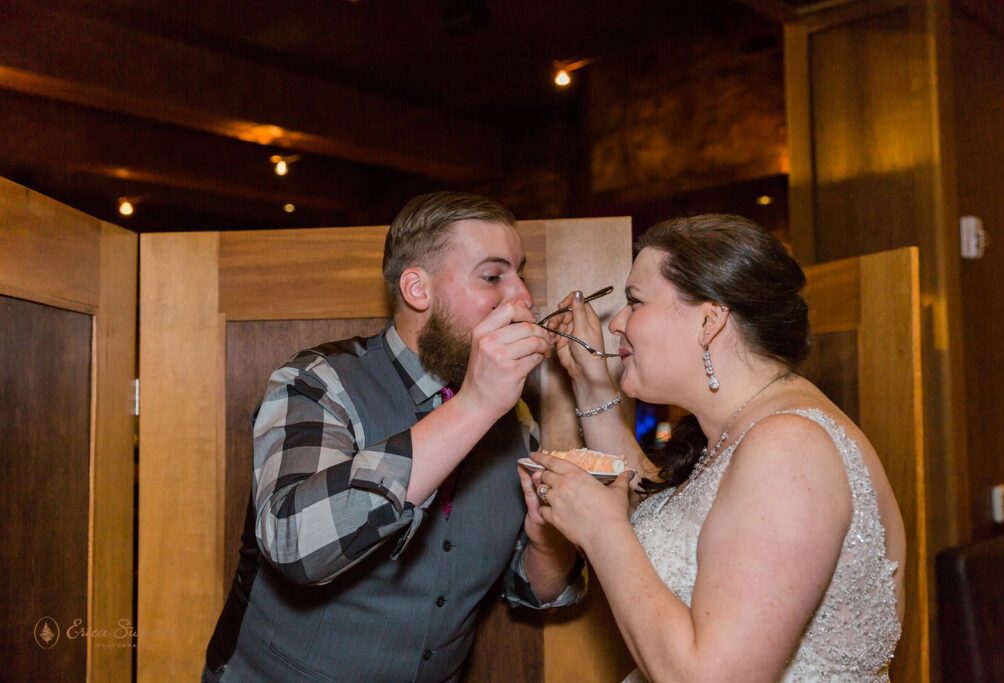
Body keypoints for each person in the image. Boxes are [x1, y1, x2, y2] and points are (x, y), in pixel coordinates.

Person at [203, 192, 583, 682]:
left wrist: (549, 542)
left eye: (520, 274)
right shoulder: (317, 382)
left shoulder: (518, 421)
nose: (524, 298)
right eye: (493, 276)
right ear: (417, 289)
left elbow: (529, 588)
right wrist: (474, 405)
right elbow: (294, 541)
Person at [529, 214, 905, 681]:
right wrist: (591, 383)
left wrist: (603, 532)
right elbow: (678, 523)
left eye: (635, 301)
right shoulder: (750, 427)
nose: (618, 323)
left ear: (709, 320)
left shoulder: (788, 450)